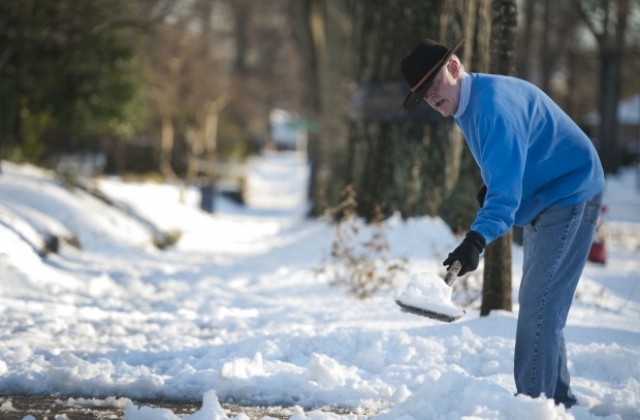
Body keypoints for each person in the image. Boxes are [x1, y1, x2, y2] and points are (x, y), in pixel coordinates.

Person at [400, 38, 605, 408]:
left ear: (456, 67)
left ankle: (532, 406)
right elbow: (513, 158)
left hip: (570, 190)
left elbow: (505, 198)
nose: (431, 96)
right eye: (423, 93)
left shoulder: (490, 106)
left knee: (539, 302)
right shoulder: (468, 103)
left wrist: (476, 239)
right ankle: (556, 404)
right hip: (549, 192)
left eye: (434, 83)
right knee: (544, 303)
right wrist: (493, 186)